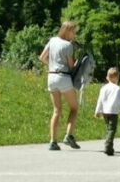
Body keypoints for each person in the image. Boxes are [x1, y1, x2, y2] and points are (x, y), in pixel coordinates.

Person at [39, 20, 80, 150]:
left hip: (51, 77)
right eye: (74, 31)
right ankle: (68, 135)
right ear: (68, 31)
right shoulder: (68, 45)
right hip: (63, 77)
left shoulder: (52, 40)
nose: (75, 34)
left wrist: (52, 65)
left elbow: (42, 58)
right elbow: (71, 66)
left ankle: (52, 141)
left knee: (56, 110)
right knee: (73, 108)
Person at [94, 66, 120, 156]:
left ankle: (110, 147)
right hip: (113, 112)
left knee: (109, 128)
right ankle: (108, 145)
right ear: (117, 78)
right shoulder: (117, 88)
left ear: (107, 78)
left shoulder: (103, 88)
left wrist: (97, 111)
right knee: (112, 129)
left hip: (105, 112)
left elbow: (99, 100)